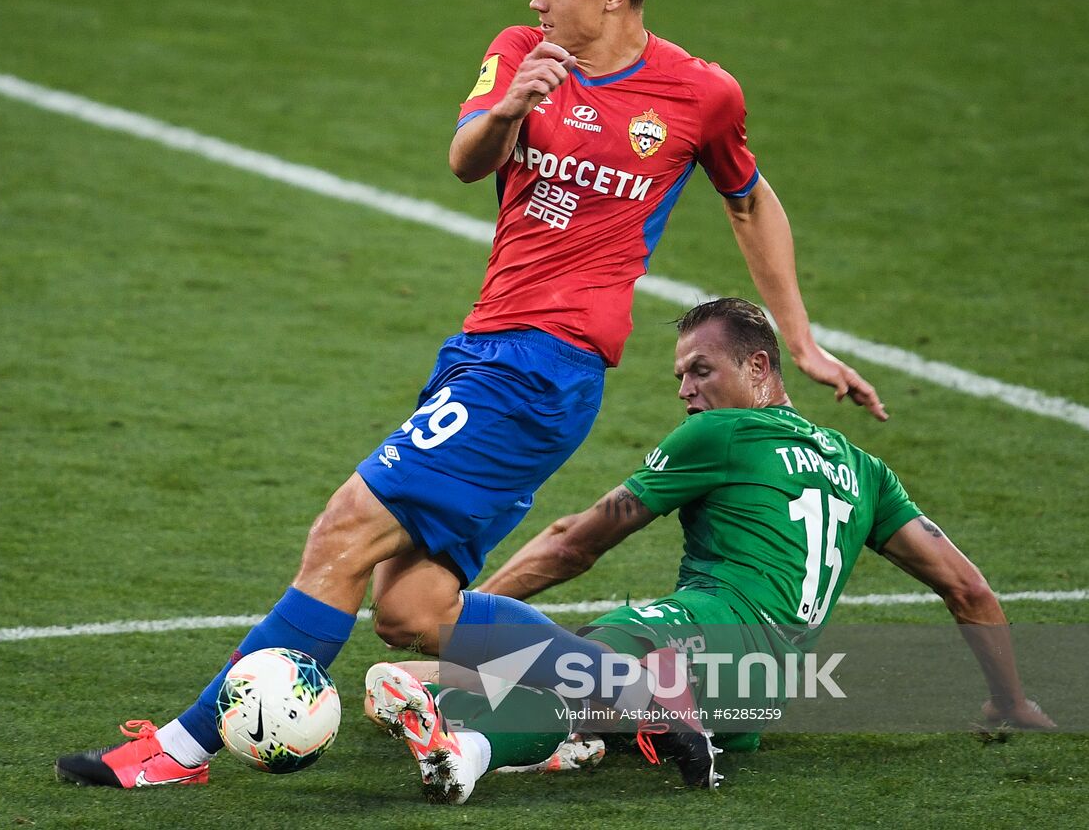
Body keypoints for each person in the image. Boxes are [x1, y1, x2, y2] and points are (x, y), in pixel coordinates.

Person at [55, 0, 887, 790]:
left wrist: (799, 338)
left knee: (341, 535)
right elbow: (464, 161)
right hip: (483, 352)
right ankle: (637, 693)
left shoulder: (698, 94)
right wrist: (508, 108)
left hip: (541, 369)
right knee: (413, 608)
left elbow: (749, 199)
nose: (536, 1)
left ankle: (175, 752)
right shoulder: (521, 54)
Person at [365, 298, 1054, 804]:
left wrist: (460, 627)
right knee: (582, 679)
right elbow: (968, 590)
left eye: (699, 370)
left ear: (758, 367)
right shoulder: (864, 470)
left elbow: (574, 546)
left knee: (582, 669)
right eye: (678, 377)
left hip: (701, 631)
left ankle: (466, 747)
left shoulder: (720, 434)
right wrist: (1010, 701)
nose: (685, 391)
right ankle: (528, 726)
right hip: (759, 690)